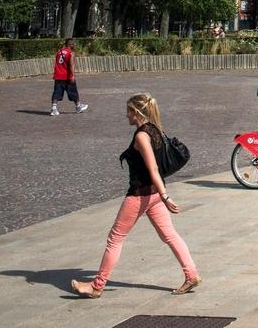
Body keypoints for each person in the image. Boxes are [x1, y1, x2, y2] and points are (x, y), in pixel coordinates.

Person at [70, 93, 200, 298]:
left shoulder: (142, 135)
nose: (126, 115)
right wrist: (162, 195)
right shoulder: (156, 130)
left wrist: (166, 197)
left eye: (128, 111)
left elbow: (153, 169)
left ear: (136, 112)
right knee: (170, 236)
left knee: (115, 238)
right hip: (154, 194)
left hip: (141, 195)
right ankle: (191, 274)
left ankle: (97, 286)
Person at [51, 37, 89, 116]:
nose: (74, 45)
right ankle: (78, 107)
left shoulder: (59, 51)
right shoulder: (71, 53)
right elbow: (72, 65)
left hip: (58, 76)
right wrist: (72, 76)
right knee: (73, 92)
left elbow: (56, 63)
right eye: (73, 44)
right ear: (70, 44)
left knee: (57, 92)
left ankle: (53, 109)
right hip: (66, 76)